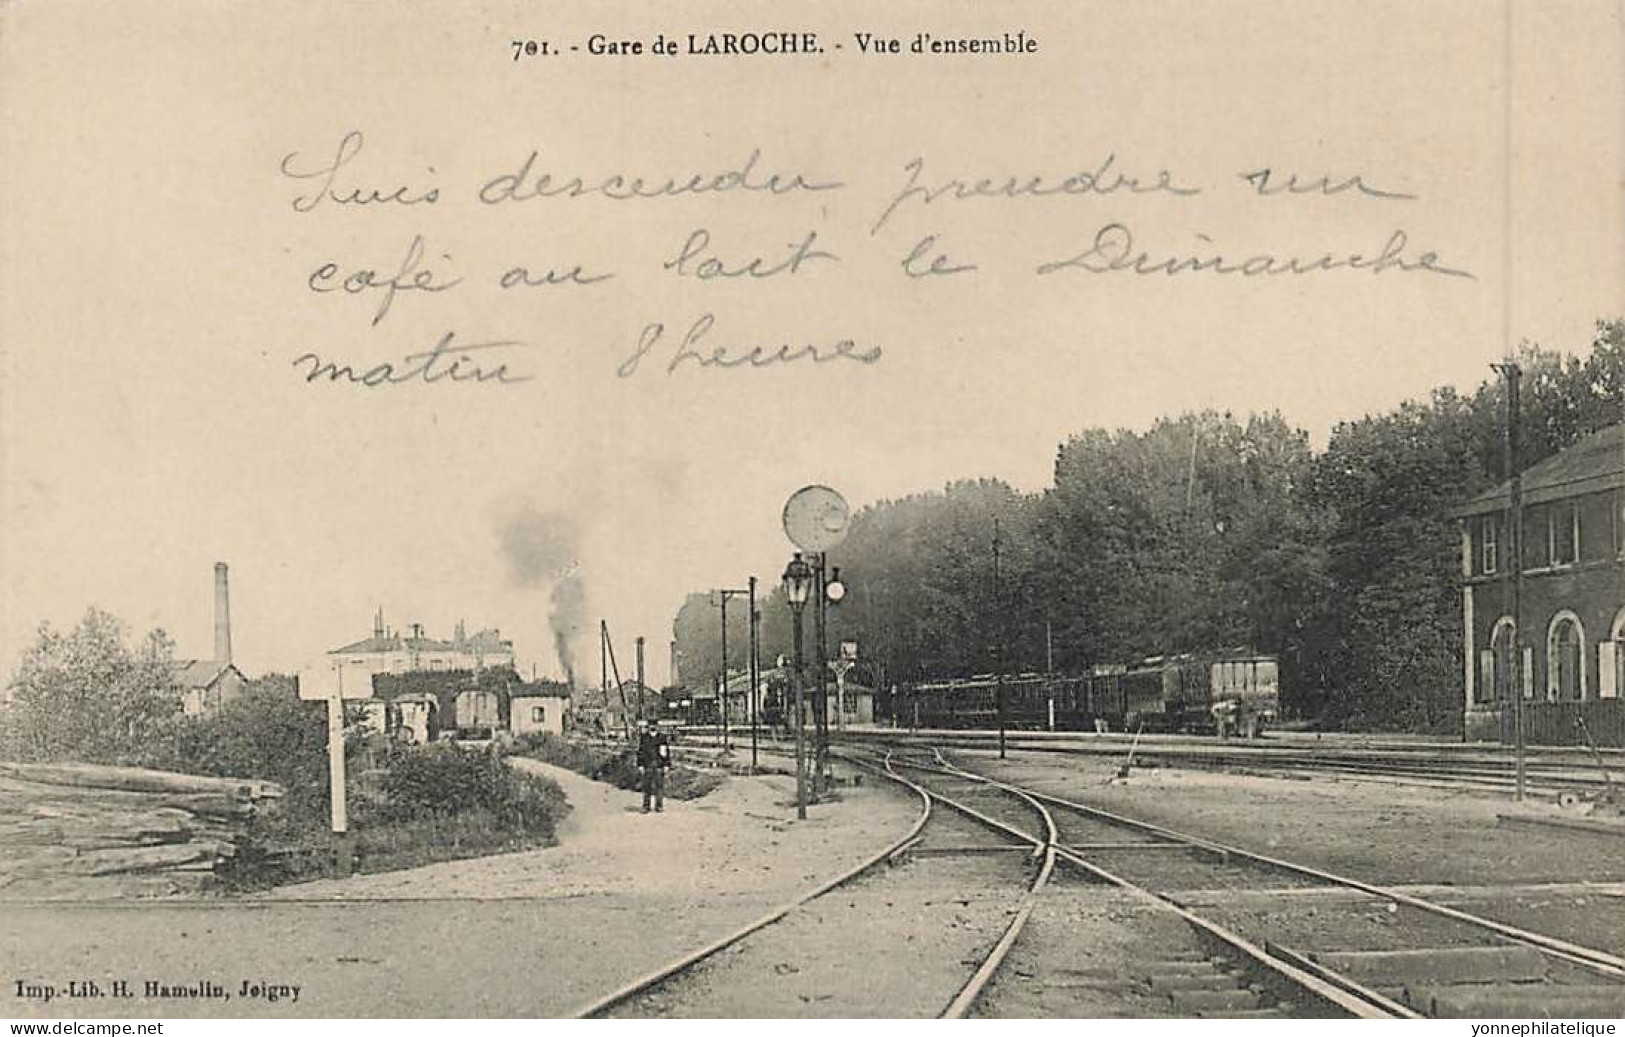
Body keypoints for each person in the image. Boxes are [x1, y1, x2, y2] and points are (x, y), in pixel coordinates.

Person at [637, 721, 670, 813]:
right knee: (647, 786)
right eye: (651, 725)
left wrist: (666, 764)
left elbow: (666, 752)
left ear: (657, 726)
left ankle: (659, 806)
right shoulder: (644, 738)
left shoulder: (662, 738)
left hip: (659, 764)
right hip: (648, 765)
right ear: (648, 726)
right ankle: (646, 806)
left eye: (655, 725)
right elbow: (640, 752)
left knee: (659, 786)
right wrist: (640, 764)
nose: (653, 727)